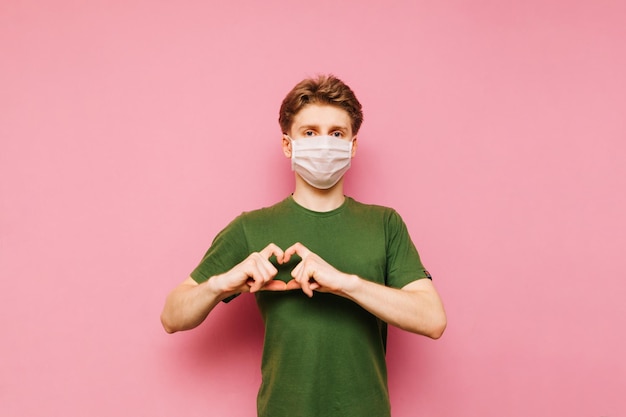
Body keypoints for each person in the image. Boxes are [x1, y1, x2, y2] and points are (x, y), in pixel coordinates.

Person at [160, 74, 447, 417]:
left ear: (352, 145)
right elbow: (172, 316)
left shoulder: (385, 224)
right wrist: (222, 284)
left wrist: (345, 283)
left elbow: (432, 319)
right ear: (287, 144)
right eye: (310, 133)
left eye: (336, 134)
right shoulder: (252, 227)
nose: (324, 144)